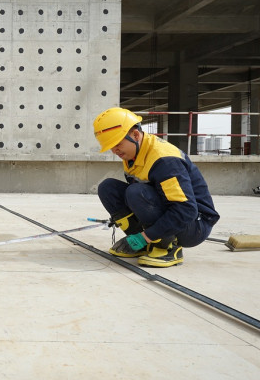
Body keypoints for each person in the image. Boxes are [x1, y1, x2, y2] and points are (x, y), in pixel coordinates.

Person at [92, 107, 219, 267]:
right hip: (172, 213)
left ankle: (166, 247)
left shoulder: (164, 160)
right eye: (110, 146)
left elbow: (186, 210)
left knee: (136, 192)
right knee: (108, 188)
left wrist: (146, 236)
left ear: (135, 135)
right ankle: (145, 243)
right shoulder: (133, 153)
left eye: (117, 144)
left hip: (193, 225)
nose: (114, 150)